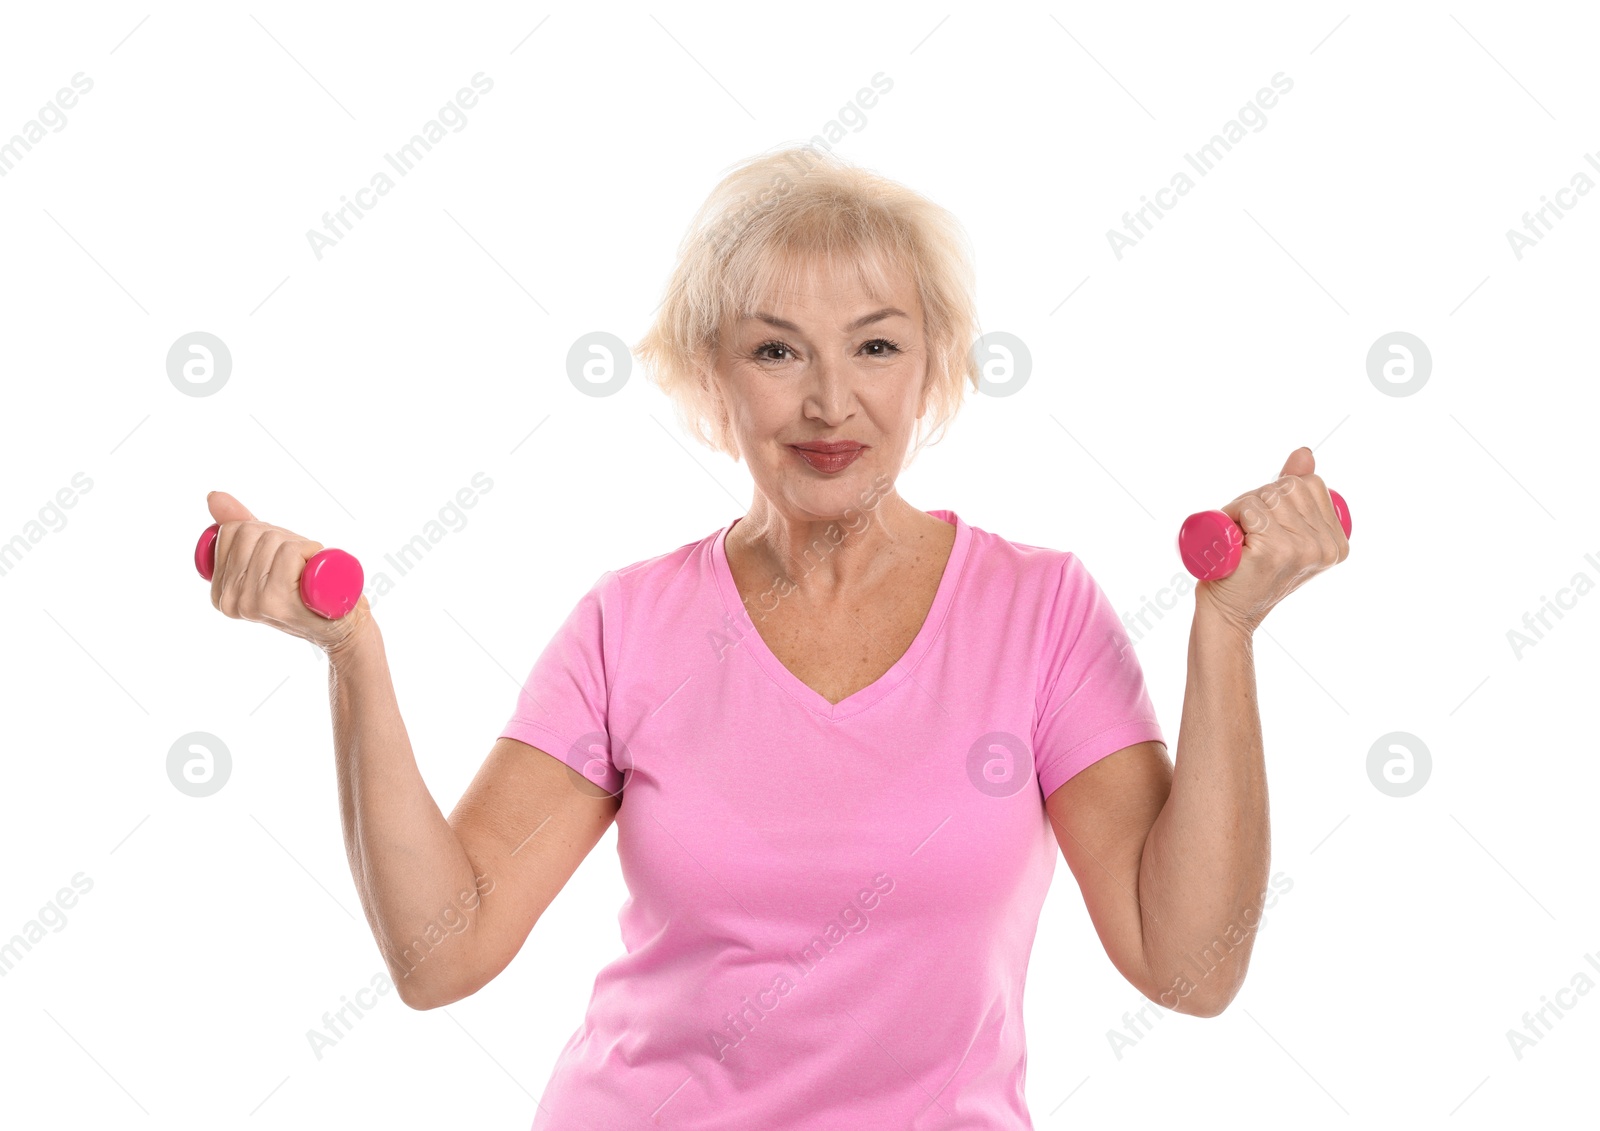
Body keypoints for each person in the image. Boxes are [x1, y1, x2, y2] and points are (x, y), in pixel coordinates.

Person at [202, 145, 1349, 1129]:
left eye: (876, 347)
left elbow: (1186, 965)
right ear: (712, 377)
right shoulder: (630, 625)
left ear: (937, 367)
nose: (828, 402)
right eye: (775, 350)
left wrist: (1229, 631)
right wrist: (350, 649)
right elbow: (441, 953)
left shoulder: (1038, 611)